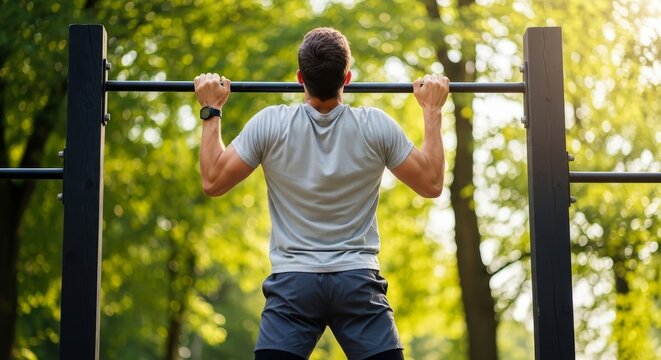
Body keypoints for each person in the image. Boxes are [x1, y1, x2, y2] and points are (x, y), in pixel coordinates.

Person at [193, 27, 449, 360]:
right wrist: (432, 110)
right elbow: (431, 183)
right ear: (348, 78)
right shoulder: (375, 126)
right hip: (357, 282)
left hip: (293, 286)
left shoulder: (270, 123)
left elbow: (213, 181)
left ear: (300, 77)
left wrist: (212, 109)